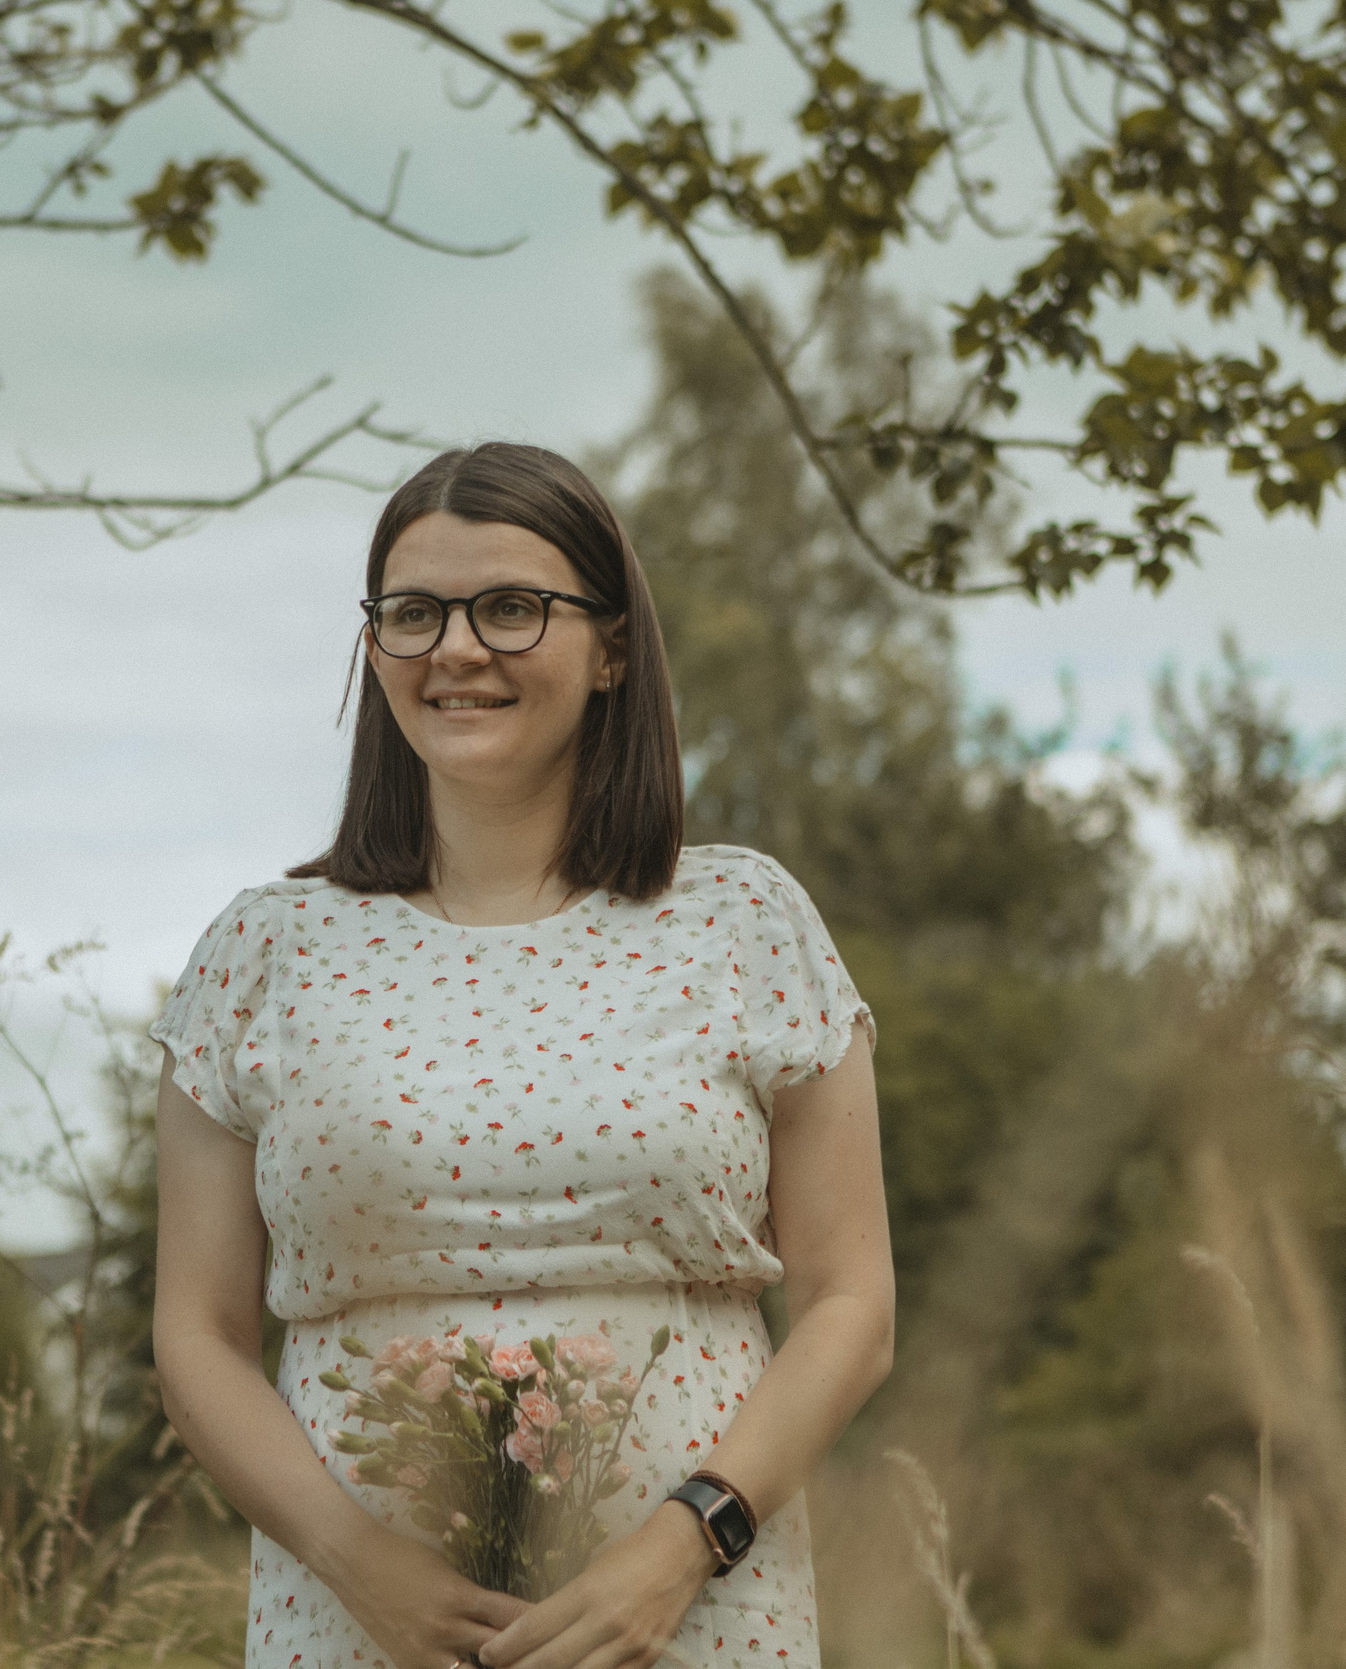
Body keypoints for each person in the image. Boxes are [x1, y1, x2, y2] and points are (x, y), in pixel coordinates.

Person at [151, 442, 894, 1669]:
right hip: (364, 1624)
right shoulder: (265, 952)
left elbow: (851, 1307)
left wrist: (685, 1544)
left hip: (690, 1616)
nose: (455, 649)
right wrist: (356, 1562)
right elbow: (197, 1339)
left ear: (611, 649)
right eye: (413, 613)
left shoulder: (744, 923)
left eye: (509, 608)